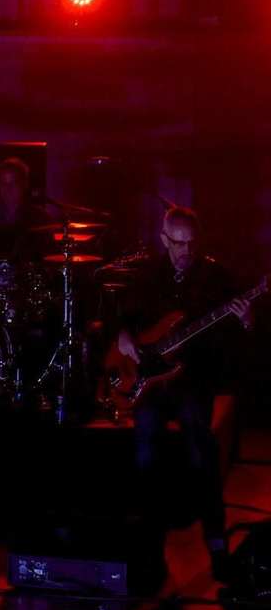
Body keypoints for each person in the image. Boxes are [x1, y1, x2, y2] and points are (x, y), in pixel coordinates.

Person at [116, 206, 253, 581]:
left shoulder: (216, 277)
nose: (186, 252)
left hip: (193, 379)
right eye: (178, 244)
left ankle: (217, 547)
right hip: (151, 384)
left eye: (192, 244)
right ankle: (151, 551)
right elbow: (123, 317)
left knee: (202, 453)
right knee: (147, 457)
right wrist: (124, 335)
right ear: (164, 240)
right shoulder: (148, 277)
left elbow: (234, 344)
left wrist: (244, 322)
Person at [0, 157, 57, 265]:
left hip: (26, 277)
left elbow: (48, 254)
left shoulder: (39, 216)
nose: (8, 188)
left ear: (24, 184)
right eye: (4, 183)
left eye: (14, 183)